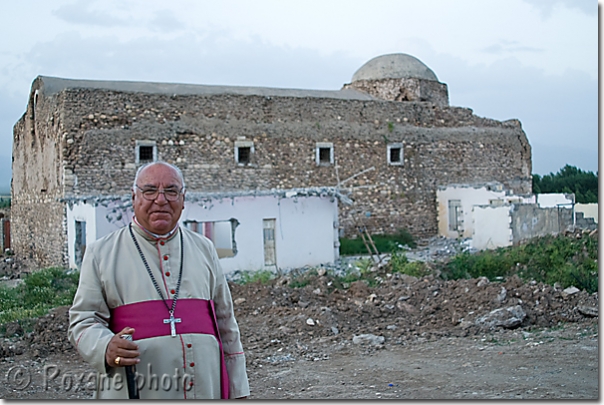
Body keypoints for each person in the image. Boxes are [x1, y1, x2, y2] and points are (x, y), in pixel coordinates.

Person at [68, 161, 250, 399]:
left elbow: (226, 324)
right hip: (137, 387)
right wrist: (105, 346)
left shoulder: (204, 248)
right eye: (150, 190)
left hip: (205, 387)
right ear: (134, 197)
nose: (161, 199)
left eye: (171, 191)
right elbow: (82, 320)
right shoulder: (101, 253)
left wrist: (238, 389)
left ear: (183, 200)